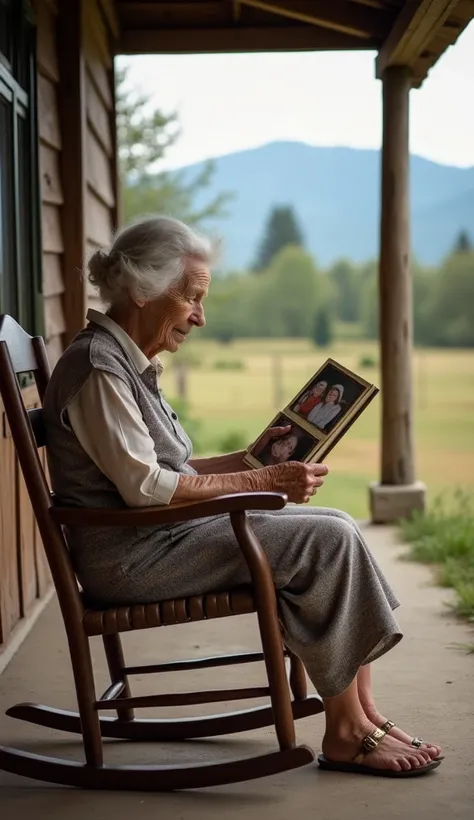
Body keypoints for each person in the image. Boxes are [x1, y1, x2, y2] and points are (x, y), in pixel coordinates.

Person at [43, 216, 442, 778]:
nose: (201, 316)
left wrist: (251, 458)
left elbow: (164, 471)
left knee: (338, 524)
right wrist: (264, 483)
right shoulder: (98, 369)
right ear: (141, 290)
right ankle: (349, 733)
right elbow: (146, 490)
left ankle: (364, 714)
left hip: (158, 536)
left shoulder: (125, 361)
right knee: (323, 540)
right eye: (192, 298)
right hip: (132, 557)